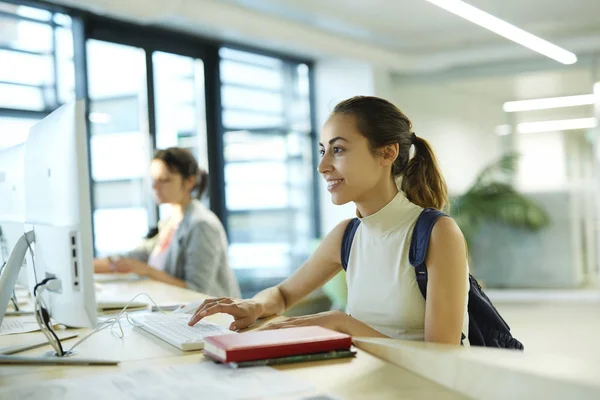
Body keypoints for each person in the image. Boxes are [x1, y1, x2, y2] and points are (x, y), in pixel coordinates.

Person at [188, 96, 469, 345]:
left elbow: (440, 355)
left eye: (338, 150)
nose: (323, 166)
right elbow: (284, 294)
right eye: (323, 150)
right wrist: (254, 305)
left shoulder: (438, 233)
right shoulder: (347, 234)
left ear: (387, 152)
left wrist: (341, 324)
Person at [94, 147, 240, 298]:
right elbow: (132, 258)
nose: (155, 187)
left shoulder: (201, 225)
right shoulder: (170, 222)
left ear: (189, 181)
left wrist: (147, 270)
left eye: (164, 180)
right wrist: (82, 267)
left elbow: (197, 290)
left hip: (212, 318)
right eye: (154, 179)